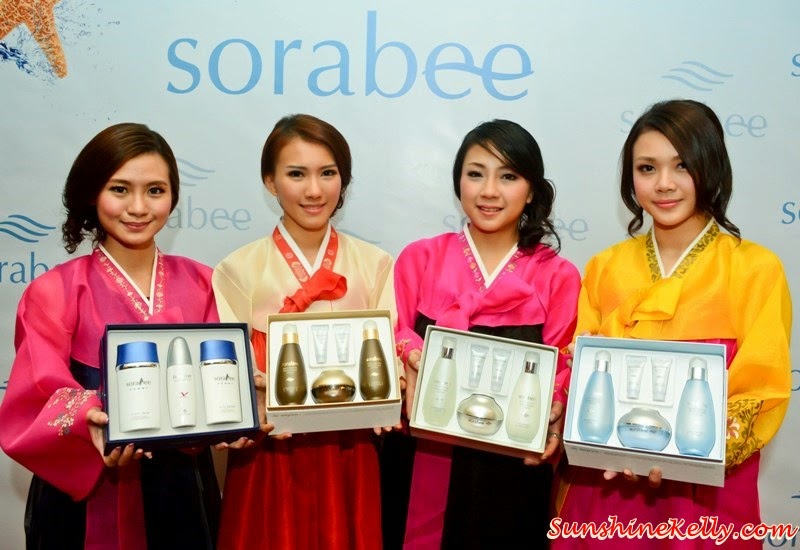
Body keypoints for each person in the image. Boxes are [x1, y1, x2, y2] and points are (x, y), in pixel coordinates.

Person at [551, 99, 792, 548]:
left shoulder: (755, 270)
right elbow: (580, 373)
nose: (664, 183)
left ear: (711, 166)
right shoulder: (605, 268)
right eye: (647, 168)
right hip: (607, 487)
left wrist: (679, 453)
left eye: (682, 165)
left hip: (705, 498)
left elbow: (761, 389)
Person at [0, 122, 222, 549]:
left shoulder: (204, 283)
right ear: (91, 193)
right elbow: (35, 392)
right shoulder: (55, 291)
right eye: (120, 189)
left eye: (155, 190)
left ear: (173, 197)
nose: (138, 207)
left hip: (181, 487)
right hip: (86, 492)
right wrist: (91, 418)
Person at [384, 119, 581, 549]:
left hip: (512, 463)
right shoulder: (420, 258)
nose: (489, 191)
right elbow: (395, 329)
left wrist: (555, 406)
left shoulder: (558, 276)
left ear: (531, 190)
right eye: (476, 174)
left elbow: (563, 362)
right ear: (459, 182)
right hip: (424, 456)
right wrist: (412, 355)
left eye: (508, 177)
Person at [212, 113, 398, 550]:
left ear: (343, 180)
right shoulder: (237, 270)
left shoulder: (375, 265)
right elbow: (225, 372)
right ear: (270, 181)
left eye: (327, 173)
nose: (314, 191)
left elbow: (390, 357)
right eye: (297, 174)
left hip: (350, 450)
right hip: (269, 451)